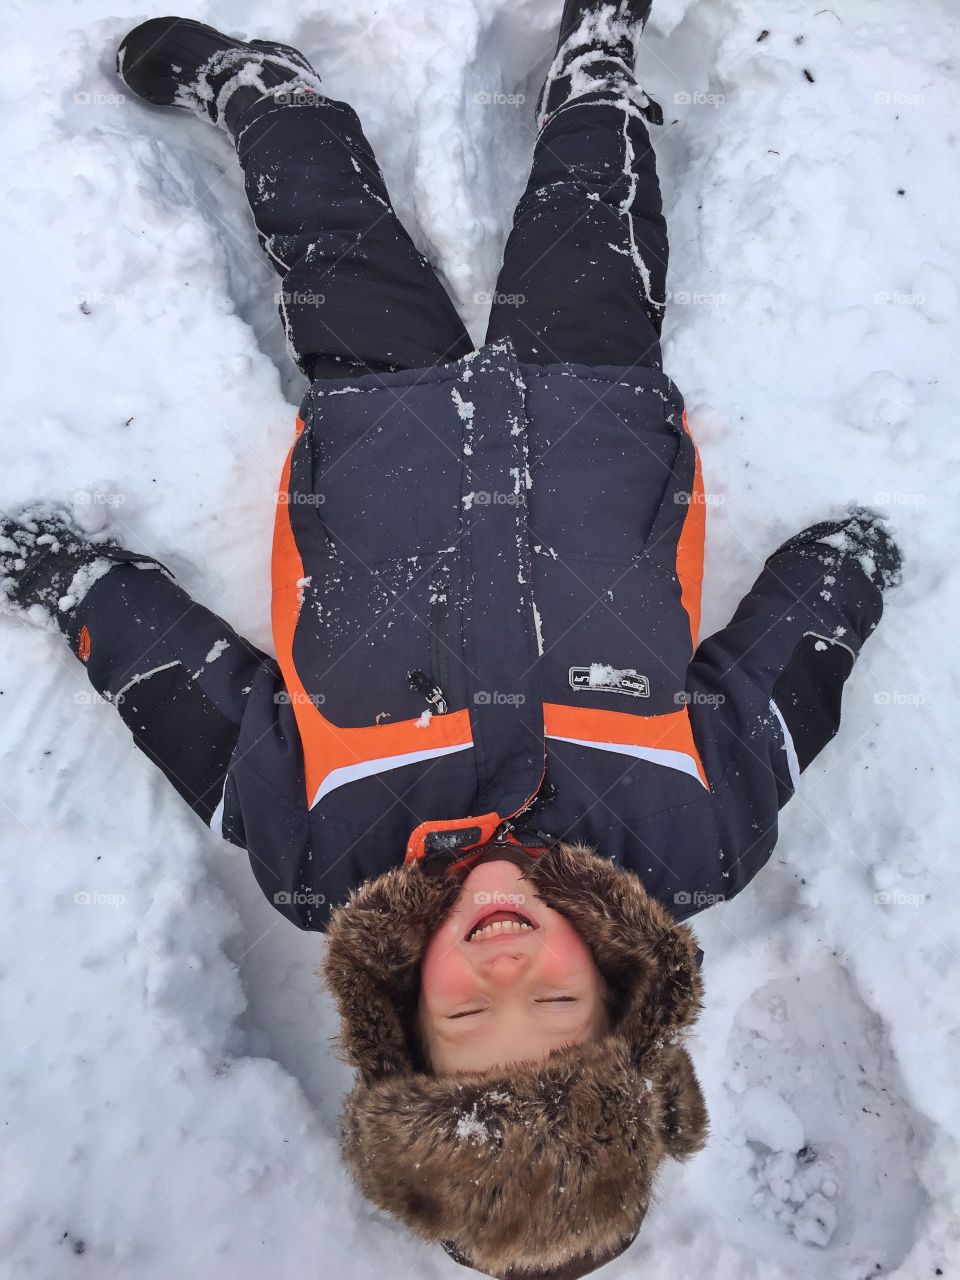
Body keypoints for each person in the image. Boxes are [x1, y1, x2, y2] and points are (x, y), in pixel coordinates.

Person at [0, 3, 902, 1277]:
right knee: (594, 206)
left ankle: (261, 87)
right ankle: (601, 59)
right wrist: (842, 578)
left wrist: (85, 586)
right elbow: (780, 686)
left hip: (378, 424)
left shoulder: (324, 852)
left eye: (467, 1013)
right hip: (598, 411)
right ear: (624, 1001)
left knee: (322, 210)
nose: (504, 962)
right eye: (558, 1001)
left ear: (405, 1023)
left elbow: (198, 705)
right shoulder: (694, 834)